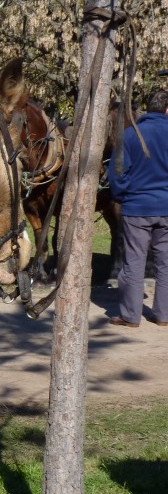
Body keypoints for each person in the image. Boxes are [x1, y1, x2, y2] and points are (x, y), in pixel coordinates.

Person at [107, 89, 168, 327]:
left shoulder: (131, 135)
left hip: (137, 208)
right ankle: (163, 315)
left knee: (134, 262)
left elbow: (117, 173)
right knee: (166, 264)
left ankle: (131, 316)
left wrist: (123, 196)